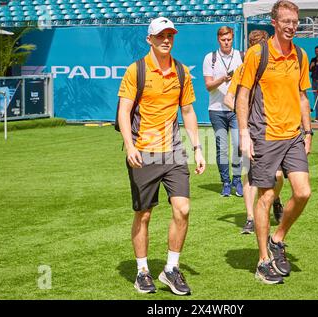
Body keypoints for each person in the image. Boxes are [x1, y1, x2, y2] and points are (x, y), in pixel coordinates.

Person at [117, 17, 206, 295]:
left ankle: (170, 269)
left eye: (170, 35)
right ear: (149, 39)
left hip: (173, 152)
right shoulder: (136, 71)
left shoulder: (181, 71)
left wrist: (197, 147)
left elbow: (188, 112)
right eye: (160, 35)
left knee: (183, 209)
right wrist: (130, 146)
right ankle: (142, 271)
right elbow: (123, 111)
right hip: (143, 152)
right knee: (144, 215)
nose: (166, 39)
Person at [236, 0, 313, 285]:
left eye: (295, 22)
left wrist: (308, 132)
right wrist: (244, 133)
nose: (292, 26)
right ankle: (262, 261)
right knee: (266, 197)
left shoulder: (301, 55)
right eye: (286, 22)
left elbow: (303, 96)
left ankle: (277, 238)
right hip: (265, 134)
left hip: (293, 135)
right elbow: (242, 95)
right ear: (274, 23)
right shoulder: (258, 54)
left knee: (303, 192)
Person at [223, 29, 284, 235]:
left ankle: (275, 199)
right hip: (252, 130)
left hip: (276, 128)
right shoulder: (242, 69)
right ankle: (250, 218)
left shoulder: (275, 66)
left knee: (278, 174)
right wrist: (244, 117)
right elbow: (228, 99)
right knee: (250, 175)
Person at [203, 26, 244, 197]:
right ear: (218, 40)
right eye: (223, 40)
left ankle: (237, 179)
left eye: (228, 39)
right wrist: (222, 79)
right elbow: (208, 85)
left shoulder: (241, 56)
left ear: (232, 38)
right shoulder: (210, 58)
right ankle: (225, 182)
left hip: (235, 109)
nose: (226, 42)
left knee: (237, 145)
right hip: (216, 110)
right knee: (222, 148)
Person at [309, 46, 318, 122]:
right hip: (314, 81)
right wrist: (311, 66)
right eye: (316, 51)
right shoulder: (313, 59)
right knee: (316, 99)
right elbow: (309, 69)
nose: (317, 52)